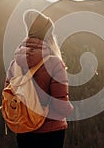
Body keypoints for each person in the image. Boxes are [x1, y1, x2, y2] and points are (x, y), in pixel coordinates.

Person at [4, 10, 74, 148]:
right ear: (48, 36)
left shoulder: (15, 63)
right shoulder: (54, 63)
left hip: (24, 128)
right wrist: (71, 110)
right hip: (51, 132)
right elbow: (59, 105)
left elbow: (8, 94)